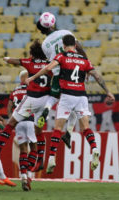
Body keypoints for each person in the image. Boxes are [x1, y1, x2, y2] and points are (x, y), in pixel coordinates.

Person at [26, 34, 115, 173]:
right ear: (75, 45)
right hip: (82, 97)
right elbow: (97, 76)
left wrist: (33, 77)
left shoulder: (62, 56)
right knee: (86, 127)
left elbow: (48, 68)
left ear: (63, 45)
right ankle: (95, 149)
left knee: (57, 128)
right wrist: (108, 92)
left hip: (67, 95)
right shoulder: (84, 59)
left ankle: (51, 159)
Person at [0, 40, 51, 173]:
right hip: (45, 101)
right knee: (39, 132)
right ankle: (40, 160)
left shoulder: (30, 62)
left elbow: (13, 61)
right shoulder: (50, 65)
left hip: (32, 99)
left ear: (32, 54)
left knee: (11, 123)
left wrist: (5, 58)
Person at [36, 12, 89, 149]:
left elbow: (51, 62)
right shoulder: (65, 32)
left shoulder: (45, 44)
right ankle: (69, 131)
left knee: (55, 98)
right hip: (72, 72)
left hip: (57, 74)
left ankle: (47, 109)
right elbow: (80, 49)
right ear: (53, 23)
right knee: (76, 103)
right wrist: (86, 66)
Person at [7, 70, 37, 191]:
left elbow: (9, 106)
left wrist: (11, 120)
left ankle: (23, 175)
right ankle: (29, 174)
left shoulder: (14, 91)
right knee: (34, 147)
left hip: (18, 122)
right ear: (25, 78)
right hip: (29, 120)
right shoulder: (32, 89)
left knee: (23, 149)